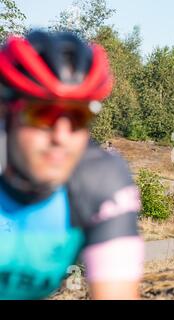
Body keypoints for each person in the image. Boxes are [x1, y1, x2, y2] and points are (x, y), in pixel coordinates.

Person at [0, 31, 143, 300]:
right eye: (42, 114)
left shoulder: (101, 180)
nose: (61, 138)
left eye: (78, 117)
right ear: (5, 113)